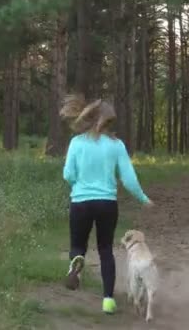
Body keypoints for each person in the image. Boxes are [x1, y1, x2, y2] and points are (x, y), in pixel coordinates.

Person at [60, 94, 153, 315]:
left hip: (81, 202)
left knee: (78, 245)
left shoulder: (76, 143)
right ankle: (108, 300)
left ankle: (77, 263)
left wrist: (79, 184)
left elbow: (67, 174)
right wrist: (143, 198)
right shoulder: (116, 145)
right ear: (107, 122)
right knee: (105, 250)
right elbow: (128, 178)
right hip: (107, 204)